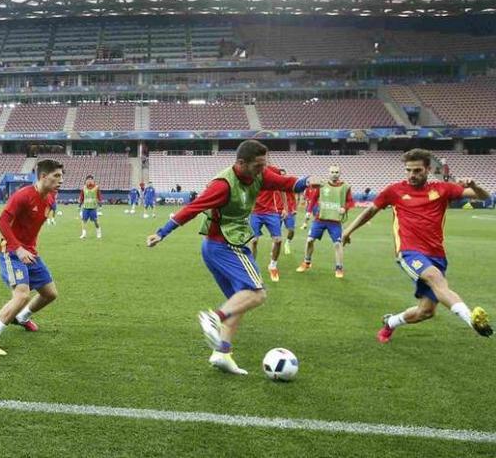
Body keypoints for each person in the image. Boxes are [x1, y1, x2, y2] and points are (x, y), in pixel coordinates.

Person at [146, 140, 313, 375]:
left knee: (239, 301)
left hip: (225, 245)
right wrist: (162, 233)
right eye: (258, 165)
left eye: (264, 165)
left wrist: (305, 183)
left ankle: (222, 353)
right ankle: (214, 317)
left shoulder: (260, 175)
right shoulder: (222, 185)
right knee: (257, 293)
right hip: (224, 246)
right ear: (240, 163)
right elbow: (192, 208)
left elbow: (287, 184)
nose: (262, 170)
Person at [342, 149, 491, 342]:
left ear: (428, 169)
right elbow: (370, 211)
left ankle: (391, 322)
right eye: (409, 170)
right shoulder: (394, 191)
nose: (412, 175)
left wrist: (475, 186)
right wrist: (348, 230)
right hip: (409, 252)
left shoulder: (443, 189)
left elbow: (484, 197)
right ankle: (472, 320)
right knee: (435, 278)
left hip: (436, 255)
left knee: (425, 311)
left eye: (418, 170)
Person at [0, 159, 64, 356]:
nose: (61, 180)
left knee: (50, 294)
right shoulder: (23, 196)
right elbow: (2, 222)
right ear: (43, 176)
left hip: (30, 252)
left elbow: (33, 226)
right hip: (11, 251)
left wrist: (31, 247)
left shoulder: (51, 198)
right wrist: (18, 249)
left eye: (61, 176)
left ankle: (23, 317)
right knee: (22, 295)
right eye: (56, 176)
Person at [296, 165, 353, 279]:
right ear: (328, 173)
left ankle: (339, 268)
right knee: (310, 240)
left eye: (337, 172)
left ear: (340, 173)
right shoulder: (321, 185)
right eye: (332, 172)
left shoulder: (345, 187)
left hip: (335, 221)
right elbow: (313, 199)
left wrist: (345, 208)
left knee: (337, 244)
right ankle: (307, 262)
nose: (334, 174)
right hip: (320, 219)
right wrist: (308, 211)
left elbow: (350, 202)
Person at [249, 169, 285, 282]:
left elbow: (282, 188)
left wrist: (285, 207)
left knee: (278, 240)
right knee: (253, 240)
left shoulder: (273, 171)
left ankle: (273, 265)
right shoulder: (251, 172)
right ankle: (252, 266)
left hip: (271, 212)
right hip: (255, 212)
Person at [79, 175, 103, 239]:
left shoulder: (96, 187)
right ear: (86, 181)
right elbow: (82, 197)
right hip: (85, 207)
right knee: (84, 220)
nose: (89, 181)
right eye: (88, 179)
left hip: (93, 207)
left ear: (93, 180)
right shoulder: (83, 188)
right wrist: (79, 205)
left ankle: (98, 232)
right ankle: (84, 234)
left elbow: (99, 196)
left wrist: (100, 204)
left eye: (91, 179)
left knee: (95, 221)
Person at [282, 183, 298, 255]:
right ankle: (274, 248)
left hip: (289, 211)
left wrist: (294, 209)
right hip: (277, 211)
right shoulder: (274, 187)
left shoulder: (289, 188)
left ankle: (287, 243)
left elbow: (293, 199)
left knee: (291, 230)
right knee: (276, 233)